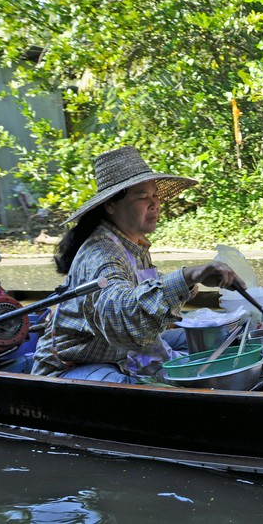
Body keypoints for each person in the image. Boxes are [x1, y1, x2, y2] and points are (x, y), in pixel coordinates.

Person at [32, 146, 246, 383]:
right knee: (131, 389)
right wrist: (186, 276)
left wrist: (190, 283)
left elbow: (142, 290)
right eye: (142, 197)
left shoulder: (132, 244)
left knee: (211, 339)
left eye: (155, 195)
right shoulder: (101, 254)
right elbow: (122, 317)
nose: (154, 204)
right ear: (110, 205)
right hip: (74, 366)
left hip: (121, 352)